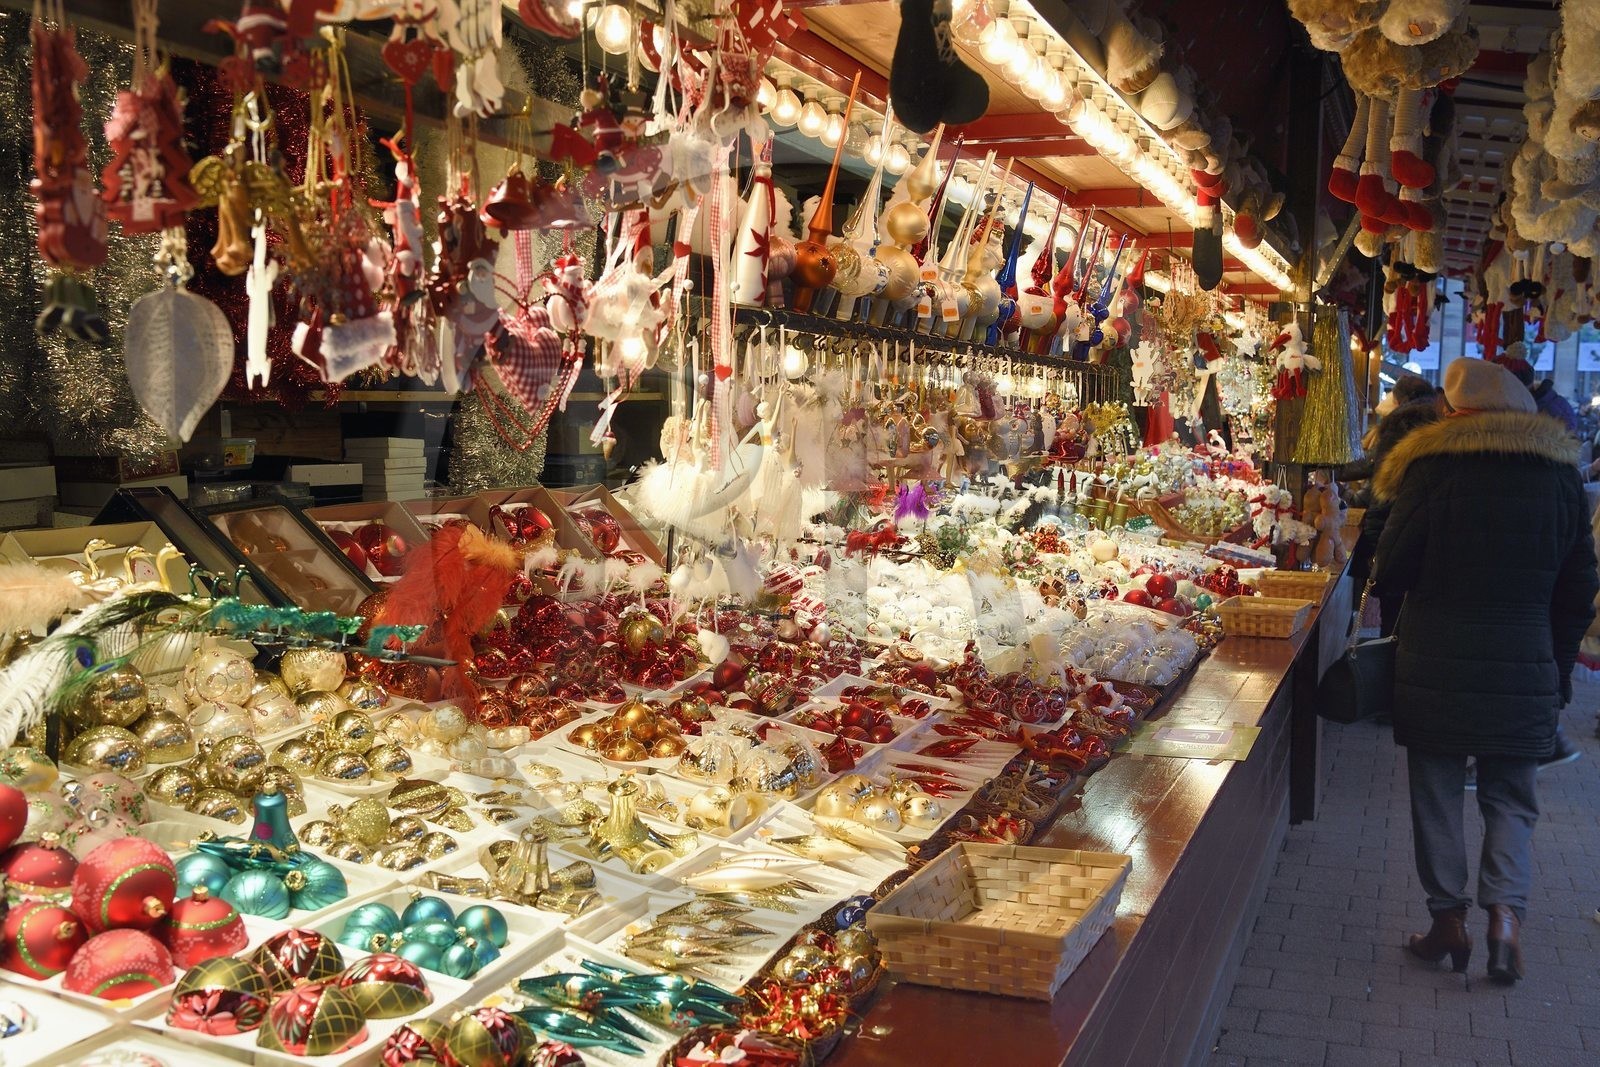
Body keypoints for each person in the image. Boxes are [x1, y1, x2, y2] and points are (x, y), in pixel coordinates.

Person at [1371, 358, 1597, 985]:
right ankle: (1505, 920)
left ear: (1454, 412)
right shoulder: (1559, 479)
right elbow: (1580, 586)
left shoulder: (1431, 470)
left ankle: (1448, 922)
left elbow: (1391, 569)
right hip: (1526, 665)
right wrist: (1555, 671)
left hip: (1435, 659)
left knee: (1437, 796)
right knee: (1512, 801)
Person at [1342, 374, 1439, 636]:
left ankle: (1387, 669)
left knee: (1392, 622)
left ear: (1400, 399)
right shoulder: (1438, 423)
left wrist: (1375, 551)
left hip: (1397, 532)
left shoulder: (1400, 427)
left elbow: (1383, 493)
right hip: (1429, 544)